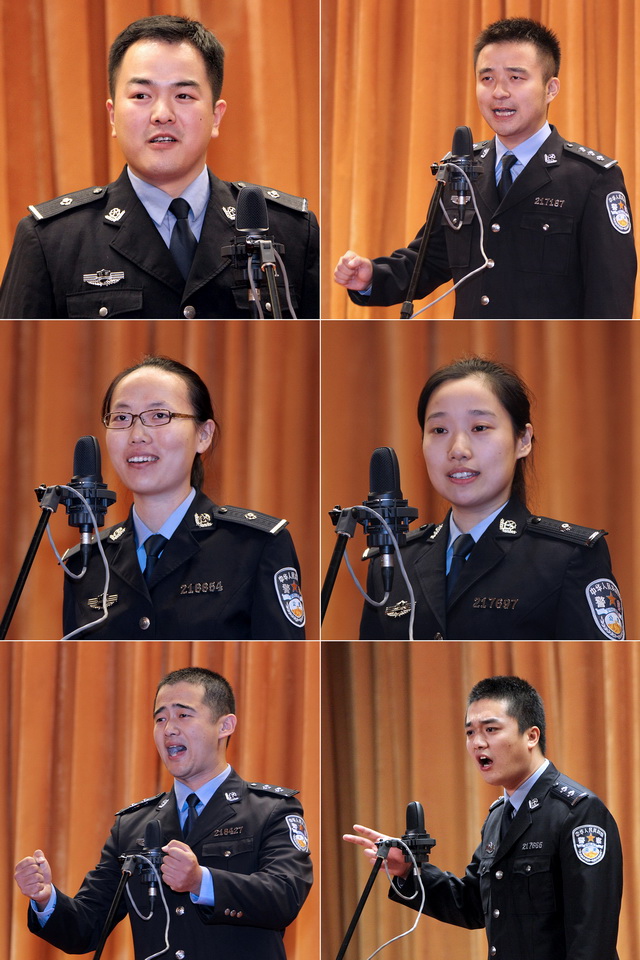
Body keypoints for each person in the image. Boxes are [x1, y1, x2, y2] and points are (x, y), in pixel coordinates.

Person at [0, 15, 319, 319]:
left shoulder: (289, 230)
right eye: (141, 95)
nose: (162, 114)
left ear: (215, 116)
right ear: (112, 116)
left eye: (183, 95)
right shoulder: (51, 240)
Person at [334, 17, 636, 318]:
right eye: (487, 78)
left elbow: (610, 297)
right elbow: (428, 260)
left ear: (550, 88)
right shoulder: (461, 169)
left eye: (515, 77)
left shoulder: (591, 178)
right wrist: (371, 277)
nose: (499, 92)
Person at [15, 666, 313, 960]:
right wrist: (45, 898)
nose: (169, 728)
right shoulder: (133, 825)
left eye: (183, 715)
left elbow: (285, 895)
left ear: (225, 726)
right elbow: (87, 927)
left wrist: (200, 881)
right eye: (160, 718)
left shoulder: (270, 809)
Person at [344, 675, 622, 960]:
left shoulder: (577, 812)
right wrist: (409, 870)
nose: (477, 743)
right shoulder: (499, 815)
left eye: (490, 729)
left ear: (531, 736)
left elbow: (592, 938)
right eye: (470, 732)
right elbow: (474, 904)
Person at [359, 356, 624, 640]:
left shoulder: (567, 557)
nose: (458, 450)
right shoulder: (393, 561)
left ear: (523, 440)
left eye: (479, 428)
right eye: (439, 430)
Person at [61, 355, 306, 639]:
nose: (137, 435)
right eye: (122, 418)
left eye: (159, 416)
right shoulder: (86, 562)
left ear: (204, 435)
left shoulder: (254, 546)